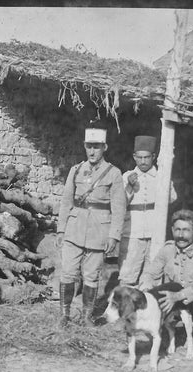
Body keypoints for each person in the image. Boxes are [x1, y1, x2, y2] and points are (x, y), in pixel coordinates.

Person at [56, 128, 126, 327]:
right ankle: (64, 315)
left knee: (91, 276)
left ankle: (87, 317)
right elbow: (66, 201)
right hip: (74, 229)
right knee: (68, 272)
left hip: (98, 231)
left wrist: (114, 236)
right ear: (85, 147)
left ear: (105, 147)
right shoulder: (76, 170)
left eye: (96, 147)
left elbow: (119, 208)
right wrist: (61, 229)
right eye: (89, 147)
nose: (92, 151)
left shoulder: (114, 173)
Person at [138, 209, 193, 368]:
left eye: (186, 230)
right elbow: (150, 271)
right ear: (172, 230)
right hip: (175, 301)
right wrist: (146, 283)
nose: (181, 235)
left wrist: (179, 295)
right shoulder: (167, 249)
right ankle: (157, 336)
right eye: (177, 230)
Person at [118, 135, 177, 286]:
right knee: (127, 273)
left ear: (153, 157)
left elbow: (172, 199)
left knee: (152, 275)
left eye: (146, 157)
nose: (143, 161)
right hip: (132, 232)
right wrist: (129, 186)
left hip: (154, 232)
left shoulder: (161, 176)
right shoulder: (126, 177)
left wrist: (166, 180)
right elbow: (120, 204)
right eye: (139, 157)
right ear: (134, 157)